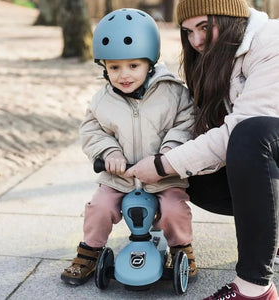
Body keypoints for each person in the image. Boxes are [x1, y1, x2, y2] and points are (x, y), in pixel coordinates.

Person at [124, 0, 279, 299]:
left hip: (266, 140)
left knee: (250, 134)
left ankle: (254, 287)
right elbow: (203, 135)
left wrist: (162, 165)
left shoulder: (271, 41)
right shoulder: (219, 57)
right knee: (193, 178)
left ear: (230, 17)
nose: (196, 41)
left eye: (205, 27)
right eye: (188, 32)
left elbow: (242, 131)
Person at [60, 8, 197, 286]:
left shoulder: (173, 92)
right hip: (119, 178)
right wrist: (108, 152)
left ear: (150, 62)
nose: (123, 75)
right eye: (114, 67)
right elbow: (91, 129)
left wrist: (169, 152)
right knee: (98, 206)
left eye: (133, 66)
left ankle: (182, 248)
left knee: (174, 209)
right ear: (104, 67)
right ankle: (90, 250)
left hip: (163, 177)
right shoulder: (103, 100)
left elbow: (187, 122)